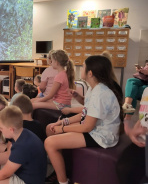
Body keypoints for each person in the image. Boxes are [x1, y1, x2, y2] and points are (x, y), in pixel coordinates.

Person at [45, 55, 123, 184]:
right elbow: (85, 113)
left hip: (102, 136)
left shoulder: (100, 93)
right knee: (50, 129)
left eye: (83, 67)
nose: (80, 69)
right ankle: (61, 169)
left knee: (49, 142)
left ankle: (63, 181)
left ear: (90, 73)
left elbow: (87, 127)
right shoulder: (95, 88)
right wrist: (63, 122)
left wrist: (63, 128)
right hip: (95, 130)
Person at [116, 87, 148, 184]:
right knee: (123, 169)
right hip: (141, 142)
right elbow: (143, 117)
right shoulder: (145, 90)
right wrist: (133, 131)